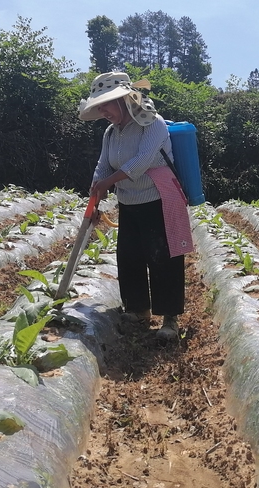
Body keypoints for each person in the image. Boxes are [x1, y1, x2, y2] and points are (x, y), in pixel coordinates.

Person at [78, 72, 193, 342]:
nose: (103, 111)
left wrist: (108, 182)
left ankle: (169, 319)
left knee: (163, 257)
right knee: (129, 256)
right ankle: (139, 309)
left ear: (123, 101)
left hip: (159, 199)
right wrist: (96, 192)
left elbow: (141, 163)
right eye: (99, 107)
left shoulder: (153, 124)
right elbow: (103, 166)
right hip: (128, 201)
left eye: (106, 104)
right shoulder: (110, 133)